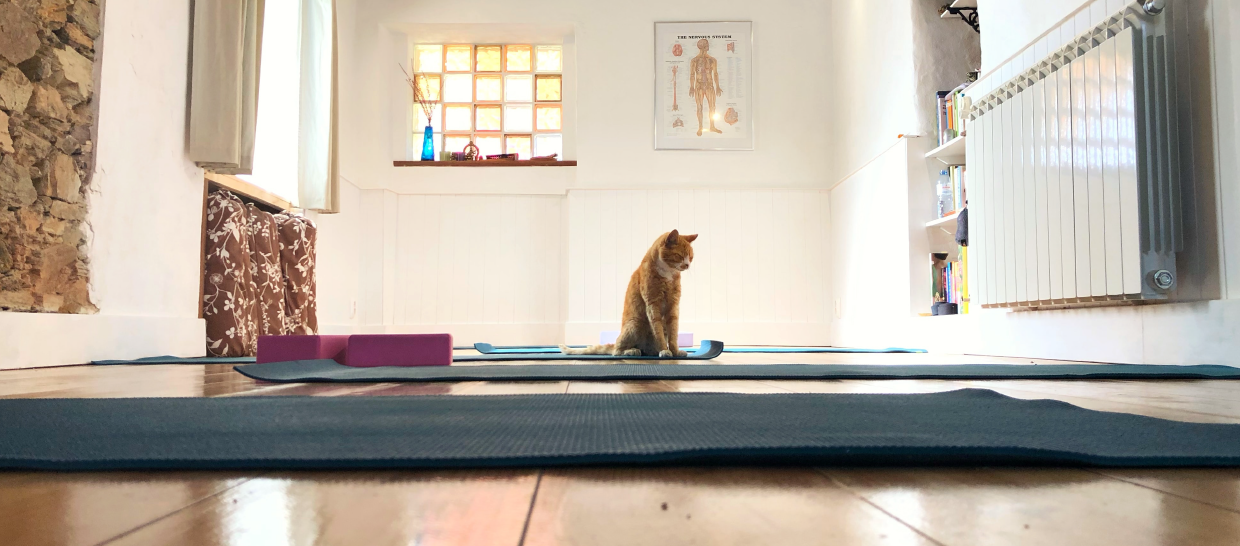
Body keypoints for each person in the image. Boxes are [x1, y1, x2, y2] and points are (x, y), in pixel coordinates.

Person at [688, 39, 723, 136]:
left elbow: (715, 74)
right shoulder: (694, 61)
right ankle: (700, 127)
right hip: (699, 86)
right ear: (702, 47)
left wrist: (718, 86)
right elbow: (692, 74)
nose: (708, 46)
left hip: (709, 86)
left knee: (712, 106)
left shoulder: (712, 60)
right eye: (707, 45)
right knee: (699, 107)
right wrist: (691, 87)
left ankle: (712, 126)